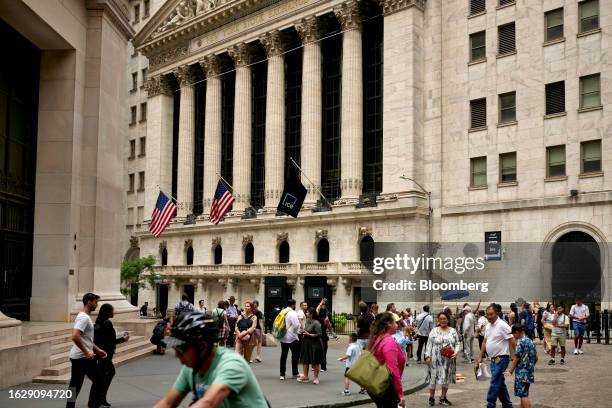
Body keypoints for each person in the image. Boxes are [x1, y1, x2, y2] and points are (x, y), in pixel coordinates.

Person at [153, 312, 268, 408]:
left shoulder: (231, 364)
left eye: (181, 351)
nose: (178, 357)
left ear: (202, 346)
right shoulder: (191, 368)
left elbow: (208, 403)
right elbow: (167, 403)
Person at [66, 293, 107, 408]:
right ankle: (93, 404)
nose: (96, 305)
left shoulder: (84, 316)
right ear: (89, 302)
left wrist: (97, 349)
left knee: (76, 385)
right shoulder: (84, 318)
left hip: (81, 357)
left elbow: (86, 339)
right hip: (82, 358)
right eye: (95, 302)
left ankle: (89, 404)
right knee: (97, 380)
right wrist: (86, 352)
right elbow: (75, 336)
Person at [476, 304, 515, 408]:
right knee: (499, 383)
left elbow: (512, 340)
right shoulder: (488, 325)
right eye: (487, 314)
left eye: (491, 314)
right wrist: (480, 356)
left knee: (495, 381)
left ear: (497, 313)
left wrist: (517, 356)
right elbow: (484, 341)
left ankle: (490, 404)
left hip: (501, 358)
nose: (489, 316)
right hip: (493, 359)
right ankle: (507, 405)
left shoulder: (503, 325)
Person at [367, 312, 406, 407]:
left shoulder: (380, 338)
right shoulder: (389, 341)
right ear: (389, 324)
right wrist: (400, 393)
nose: (397, 324)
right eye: (395, 322)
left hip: (377, 384)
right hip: (386, 387)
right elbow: (393, 369)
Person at [94, 304, 129, 407]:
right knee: (107, 374)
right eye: (112, 310)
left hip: (101, 353)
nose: (114, 312)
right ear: (108, 312)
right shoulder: (107, 323)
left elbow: (99, 339)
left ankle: (100, 398)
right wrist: (123, 339)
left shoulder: (98, 322)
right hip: (105, 354)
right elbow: (111, 341)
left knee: (105, 375)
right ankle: (99, 398)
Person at [424, 311, 460, 406]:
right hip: (435, 358)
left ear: (448, 320)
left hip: (449, 359)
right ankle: (431, 397)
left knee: (446, 378)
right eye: (441, 319)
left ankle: (443, 397)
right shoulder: (434, 330)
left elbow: (457, 343)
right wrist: (427, 356)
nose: (443, 320)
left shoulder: (453, 331)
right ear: (438, 320)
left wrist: (456, 352)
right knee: (433, 378)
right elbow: (429, 344)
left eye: (444, 318)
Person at [505, 325, 537, 408]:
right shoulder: (530, 341)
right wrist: (530, 366)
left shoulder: (520, 342)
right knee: (524, 393)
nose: (513, 336)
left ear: (517, 332)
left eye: (513, 334)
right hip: (529, 371)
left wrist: (510, 370)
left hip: (521, 373)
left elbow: (516, 358)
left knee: (523, 395)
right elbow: (536, 357)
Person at [297, 307, 324, 384]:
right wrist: (303, 331)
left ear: (311, 314)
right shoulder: (308, 321)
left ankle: (316, 378)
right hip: (306, 343)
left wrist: (309, 334)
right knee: (305, 360)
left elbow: (319, 334)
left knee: (315, 361)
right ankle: (306, 376)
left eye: (308, 312)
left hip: (315, 344)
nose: (306, 313)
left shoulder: (316, 323)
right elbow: (307, 330)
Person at [279, 299, 301, 380]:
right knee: (295, 355)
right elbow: (296, 325)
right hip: (292, 337)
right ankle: (295, 373)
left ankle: (282, 374)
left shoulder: (282, 311)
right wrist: (295, 334)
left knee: (283, 355)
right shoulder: (292, 313)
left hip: (283, 336)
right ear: (293, 305)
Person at [315, 299, 332, 371]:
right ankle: (322, 367)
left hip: (317, 335)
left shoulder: (317, 316)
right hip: (323, 335)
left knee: (318, 351)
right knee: (323, 351)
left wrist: (321, 303)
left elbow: (317, 309)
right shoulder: (326, 318)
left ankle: (316, 366)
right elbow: (330, 327)